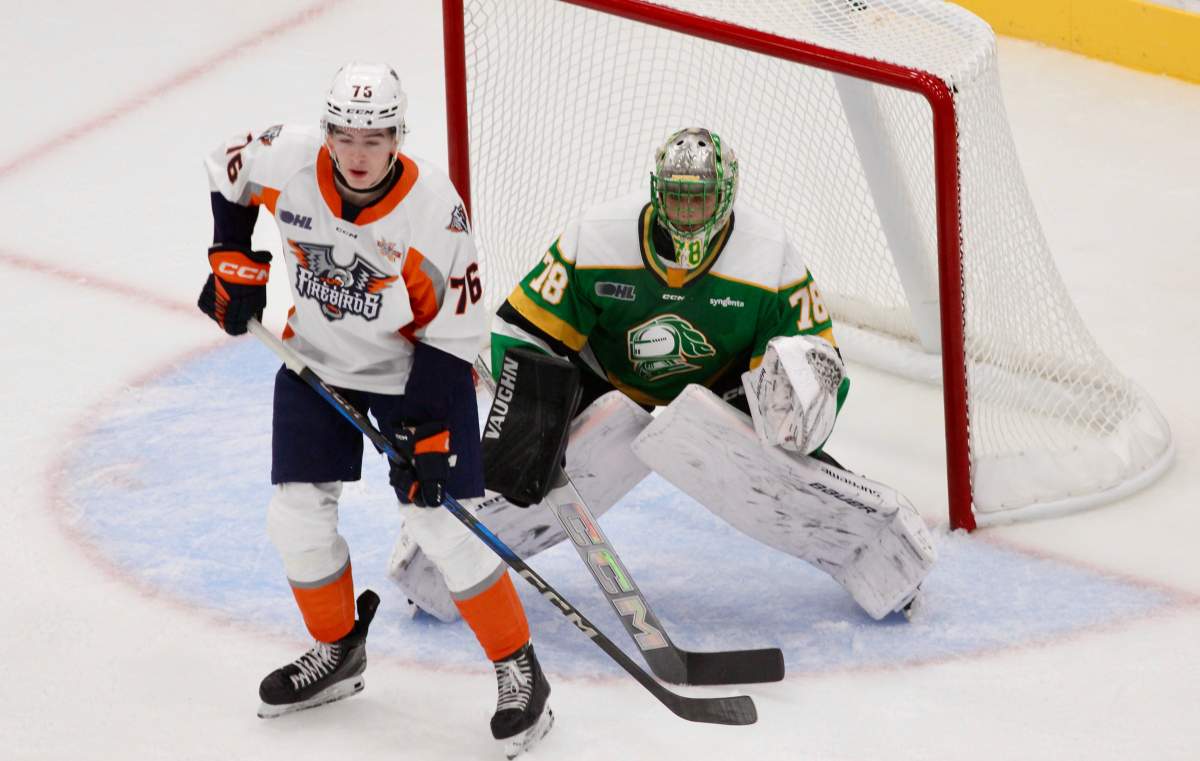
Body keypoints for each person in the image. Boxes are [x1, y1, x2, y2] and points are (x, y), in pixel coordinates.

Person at [390, 127, 934, 624]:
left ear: (727, 196)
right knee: (526, 449)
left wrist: (800, 411)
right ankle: (439, 562)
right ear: (657, 190)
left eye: (701, 198)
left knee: (780, 452)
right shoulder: (598, 236)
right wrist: (532, 412)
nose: (688, 211)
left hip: (722, 395)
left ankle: (878, 549)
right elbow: (520, 327)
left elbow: (819, 360)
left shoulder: (770, 257)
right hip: (601, 384)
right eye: (678, 195)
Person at [197, 62, 553, 758]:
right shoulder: (289, 158)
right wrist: (231, 258)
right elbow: (226, 171)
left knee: (440, 525)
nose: (359, 154)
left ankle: (520, 668)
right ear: (327, 132)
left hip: (414, 369)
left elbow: (455, 337)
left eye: (376, 138)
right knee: (294, 515)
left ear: (398, 137)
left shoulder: (434, 212)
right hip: (317, 361)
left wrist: (427, 437)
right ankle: (338, 650)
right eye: (346, 137)